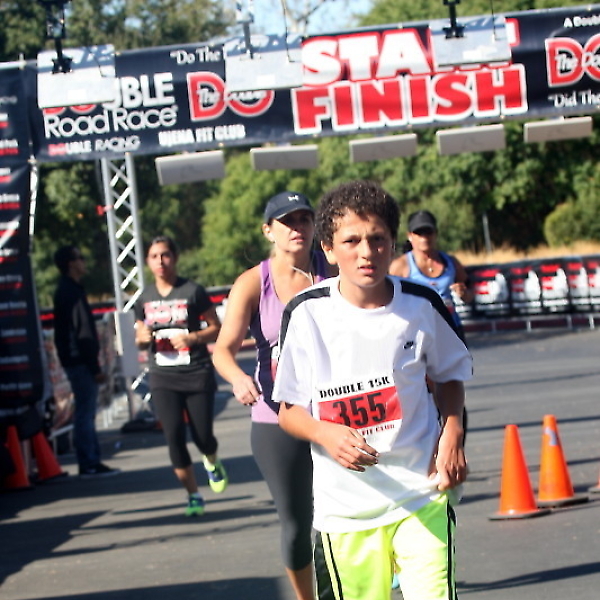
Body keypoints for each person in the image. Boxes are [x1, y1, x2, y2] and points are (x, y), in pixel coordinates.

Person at [273, 181, 472, 600]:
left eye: (378, 239)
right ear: (328, 249)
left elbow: (450, 376)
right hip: (347, 511)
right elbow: (289, 412)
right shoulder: (306, 314)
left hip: (421, 494)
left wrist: (452, 432)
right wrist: (325, 433)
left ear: (393, 243)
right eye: (352, 241)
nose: (367, 252)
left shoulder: (420, 305)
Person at [212, 191, 334, 600]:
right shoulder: (253, 283)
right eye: (288, 221)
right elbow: (223, 350)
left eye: (304, 219)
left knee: (348, 511)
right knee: (297, 525)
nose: (298, 228)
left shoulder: (333, 269)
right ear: (269, 231)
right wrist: (237, 378)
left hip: (336, 412)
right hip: (277, 419)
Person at [134, 235, 227, 517]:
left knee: (203, 436)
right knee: (173, 436)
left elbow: (216, 327)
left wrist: (193, 337)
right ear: (148, 261)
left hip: (196, 372)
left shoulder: (193, 291)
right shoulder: (144, 298)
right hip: (163, 376)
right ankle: (193, 495)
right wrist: (142, 339)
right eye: (154, 256)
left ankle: (211, 460)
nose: (160, 261)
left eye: (165, 255)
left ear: (174, 258)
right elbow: (140, 339)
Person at [53, 245, 119, 477]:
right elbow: (82, 333)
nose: (84, 262)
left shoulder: (68, 290)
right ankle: (89, 461)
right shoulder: (70, 292)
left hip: (75, 360)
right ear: (71, 264)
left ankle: (91, 459)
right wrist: (94, 366)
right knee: (85, 411)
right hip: (79, 362)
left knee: (86, 410)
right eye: (80, 258)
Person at [389, 210, 473, 340]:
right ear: (410, 236)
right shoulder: (401, 265)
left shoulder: (451, 262)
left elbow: (470, 294)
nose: (424, 238)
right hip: (418, 333)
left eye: (428, 232)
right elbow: (387, 301)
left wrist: (464, 293)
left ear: (436, 234)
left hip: (451, 329)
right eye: (419, 233)